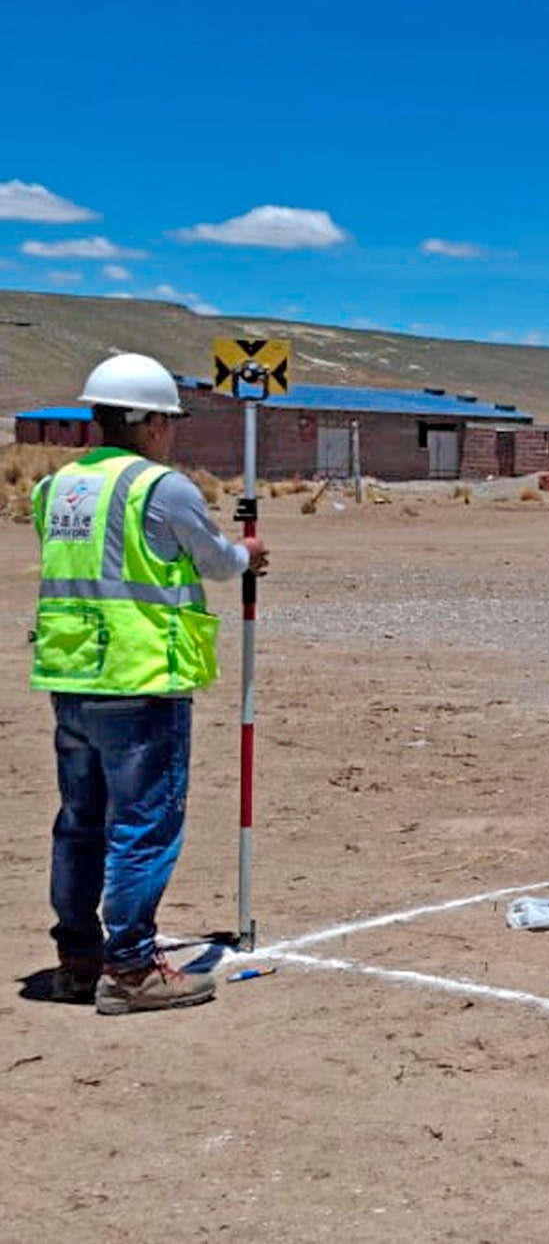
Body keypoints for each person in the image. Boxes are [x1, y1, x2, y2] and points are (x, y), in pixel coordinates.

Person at [30, 353, 271, 1015]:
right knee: (142, 824)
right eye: (167, 420)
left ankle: (77, 958)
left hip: (71, 678)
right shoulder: (159, 487)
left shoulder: (54, 489)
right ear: (146, 422)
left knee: (81, 823)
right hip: (140, 680)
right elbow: (216, 561)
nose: (171, 432)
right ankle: (131, 966)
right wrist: (247, 555)